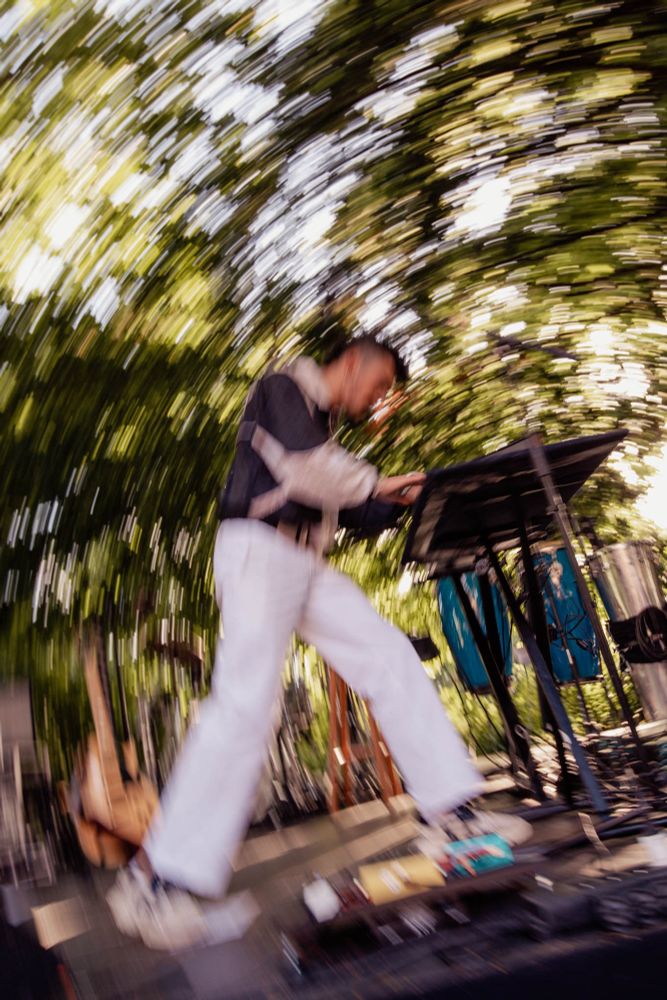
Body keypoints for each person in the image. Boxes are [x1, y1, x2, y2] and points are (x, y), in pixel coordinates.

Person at [107, 335, 530, 950]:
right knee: (245, 706)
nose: (377, 398)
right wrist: (379, 483)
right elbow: (309, 469)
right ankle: (154, 881)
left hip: (301, 564)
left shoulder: (325, 432)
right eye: (379, 383)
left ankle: (453, 815)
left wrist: (403, 499)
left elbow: (345, 502)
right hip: (257, 551)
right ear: (352, 361)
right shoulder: (284, 388)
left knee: (387, 655)